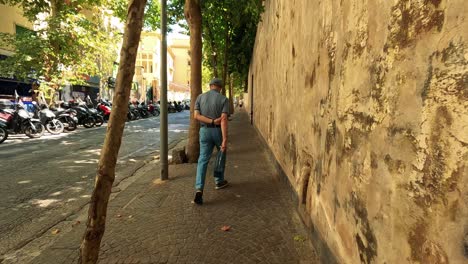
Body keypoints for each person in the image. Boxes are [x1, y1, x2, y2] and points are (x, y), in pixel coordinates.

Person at [193, 78, 229, 205]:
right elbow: (223, 120)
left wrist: (210, 121)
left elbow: (196, 116)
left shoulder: (200, 98)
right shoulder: (224, 99)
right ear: (219, 88)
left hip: (204, 131)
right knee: (221, 154)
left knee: (202, 160)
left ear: (210, 86)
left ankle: (199, 189)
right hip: (218, 131)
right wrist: (224, 140)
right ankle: (219, 181)